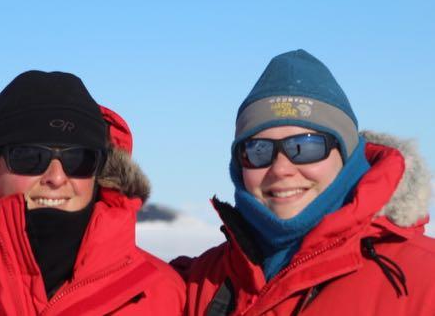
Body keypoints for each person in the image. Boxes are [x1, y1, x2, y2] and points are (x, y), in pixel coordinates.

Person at [172, 49, 435, 315]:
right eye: (258, 150)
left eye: (306, 146)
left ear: (347, 156)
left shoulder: (424, 280)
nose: (281, 169)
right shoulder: (198, 282)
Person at [0, 71, 185, 315]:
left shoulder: (162, 292)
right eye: (30, 157)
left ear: (101, 173)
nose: (56, 177)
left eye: (79, 159)